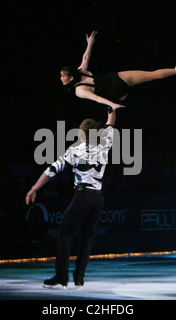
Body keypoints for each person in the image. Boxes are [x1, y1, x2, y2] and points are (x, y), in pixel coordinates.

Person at [25, 105, 123, 288]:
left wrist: (34, 188)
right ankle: (79, 277)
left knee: (65, 232)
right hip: (98, 198)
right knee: (88, 236)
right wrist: (111, 106)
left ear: (83, 133)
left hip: (83, 196)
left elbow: (52, 169)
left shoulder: (76, 150)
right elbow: (111, 123)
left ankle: (62, 276)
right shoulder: (105, 143)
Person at [60, 31, 176, 111]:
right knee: (152, 75)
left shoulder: (81, 74)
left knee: (151, 76)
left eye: (62, 76)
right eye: (62, 76)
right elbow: (96, 98)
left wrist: (90, 43)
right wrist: (112, 105)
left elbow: (85, 57)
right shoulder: (79, 89)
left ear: (71, 77)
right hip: (117, 84)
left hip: (117, 86)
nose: (61, 78)